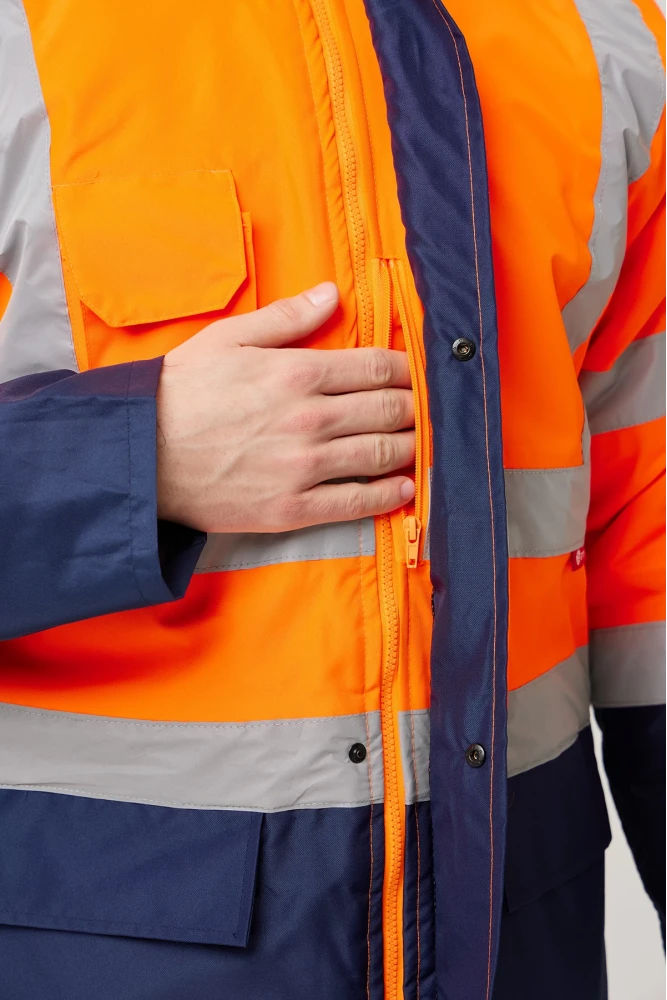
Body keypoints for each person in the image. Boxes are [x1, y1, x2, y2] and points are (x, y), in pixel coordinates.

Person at [0, 1, 664, 997]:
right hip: (101, 946)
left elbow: (647, 538)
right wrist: (136, 458)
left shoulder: (601, 30)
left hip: (519, 937)